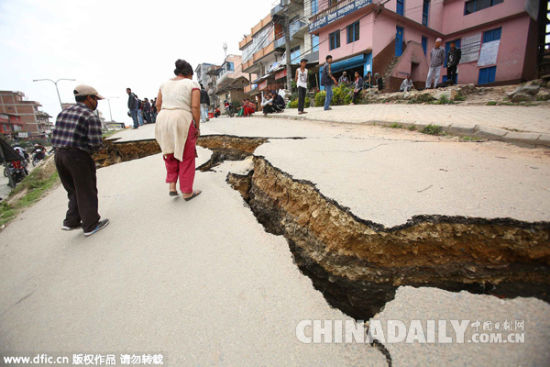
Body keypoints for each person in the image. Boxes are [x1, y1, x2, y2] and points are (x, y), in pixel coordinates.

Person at [52, 84, 109, 236]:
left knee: (73, 190)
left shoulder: (63, 112)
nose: (97, 102)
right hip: (77, 156)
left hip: (59, 155)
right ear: (89, 98)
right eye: (96, 99)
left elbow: (55, 135)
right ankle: (91, 224)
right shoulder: (90, 116)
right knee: (86, 189)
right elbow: (95, 143)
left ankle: (71, 221)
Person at [155, 59, 201, 200]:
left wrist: (165, 118)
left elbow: (158, 104)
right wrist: (197, 126)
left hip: (163, 118)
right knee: (186, 155)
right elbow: (195, 107)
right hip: (181, 118)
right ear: (189, 74)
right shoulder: (192, 84)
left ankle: (172, 186)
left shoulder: (164, 84)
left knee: (169, 152)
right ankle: (187, 191)